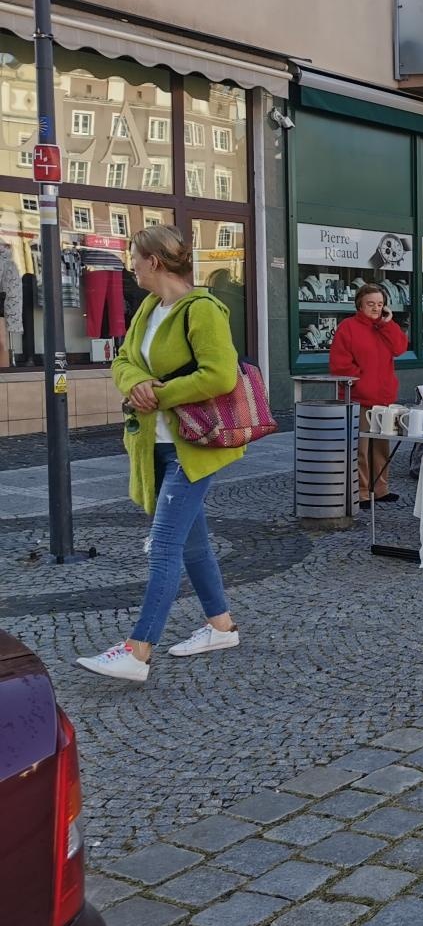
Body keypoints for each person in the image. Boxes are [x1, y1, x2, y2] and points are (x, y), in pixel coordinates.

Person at [77, 225, 245, 684]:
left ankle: (137, 650)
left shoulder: (203, 309)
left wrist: (161, 393)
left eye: (134, 257)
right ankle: (221, 627)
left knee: (164, 545)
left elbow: (220, 376)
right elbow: (122, 360)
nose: (131, 265)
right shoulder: (150, 308)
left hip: (194, 446)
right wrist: (138, 384)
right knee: (193, 542)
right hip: (158, 444)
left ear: (154, 261)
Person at [329, 284, 410, 506]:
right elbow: (339, 364)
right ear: (360, 305)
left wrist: (388, 323)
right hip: (360, 397)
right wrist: (361, 380)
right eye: (370, 304)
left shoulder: (384, 327)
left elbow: (400, 348)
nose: (375, 308)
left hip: (384, 398)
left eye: (380, 304)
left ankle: (381, 488)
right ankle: (362, 492)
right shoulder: (348, 328)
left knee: (381, 446)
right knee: (361, 449)